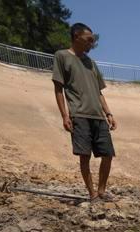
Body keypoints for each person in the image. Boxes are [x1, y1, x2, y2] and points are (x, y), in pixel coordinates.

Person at [52, 22, 118, 202]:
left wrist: (109, 113)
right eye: (89, 39)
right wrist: (65, 115)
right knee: (84, 156)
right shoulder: (62, 56)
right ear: (76, 37)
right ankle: (92, 194)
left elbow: (99, 92)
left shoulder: (91, 63)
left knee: (108, 154)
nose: (92, 43)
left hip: (98, 115)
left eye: (93, 40)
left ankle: (102, 191)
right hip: (79, 115)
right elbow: (58, 88)